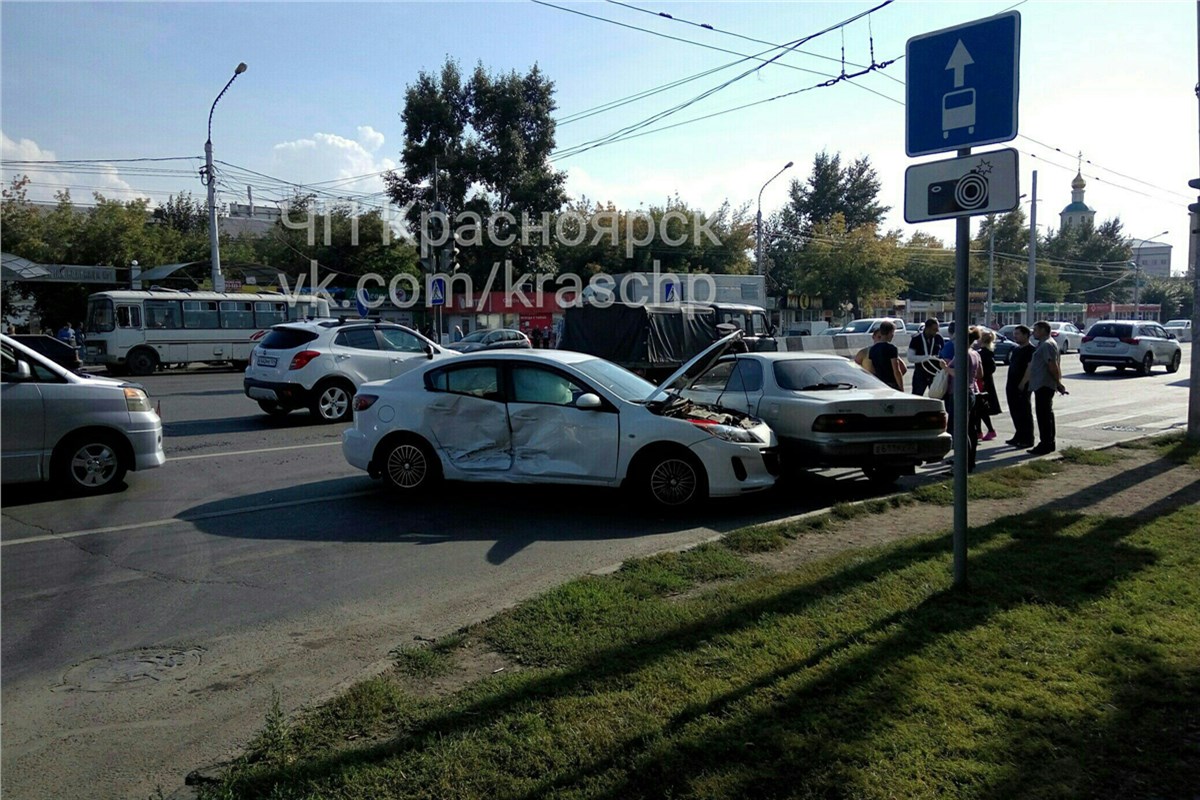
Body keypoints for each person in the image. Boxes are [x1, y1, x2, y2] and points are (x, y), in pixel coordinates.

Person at [1020, 320, 1068, 455]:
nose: (1033, 333)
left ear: (1042, 330)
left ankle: (1046, 444)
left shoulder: (1047, 345)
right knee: (1046, 415)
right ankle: (1048, 443)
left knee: (1044, 416)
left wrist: (1058, 383)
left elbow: (1052, 365)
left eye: (1035, 330)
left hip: (1044, 384)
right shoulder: (1044, 344)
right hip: (1041, 384)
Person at [945, 329, 983, 471]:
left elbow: (958, 373)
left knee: (960, 430)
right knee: (970, 430)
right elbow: (980, 373)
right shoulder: (975, 354)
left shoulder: (963, 354)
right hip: (972, 391)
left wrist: (945, 368)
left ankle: (961, 465)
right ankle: (969, 461)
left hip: (960, 393)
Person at [1004, 325, 1036, 448]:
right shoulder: (1016, 349)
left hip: (1023, 385)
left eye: (1017, 334)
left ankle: (1028, 438)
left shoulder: (1031, 350)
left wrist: (1023, 382)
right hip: (1011, 384)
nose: (1015, 336)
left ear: (1026, 335)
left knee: (1024, 412)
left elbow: (1030, 368)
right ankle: (1019, 435)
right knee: (1015, 411)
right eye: (1015, 334)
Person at [975, 329, 1002, 441]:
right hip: (986, 382)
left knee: (980, 408)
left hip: (981, 383)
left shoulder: (981, 353)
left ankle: (989, 430)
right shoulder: (989, 352)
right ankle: (979, 431)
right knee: (978, 409)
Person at [907, 318, 944, 396]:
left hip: (935, 373)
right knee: (917, 397)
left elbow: (943, 354)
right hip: (920, 373)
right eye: (934, 329)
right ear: (927, 328)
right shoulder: (916, 339)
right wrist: (927, 357)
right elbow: (910, 357)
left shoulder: (938, 338)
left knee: (938, 396)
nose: (937, 331)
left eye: (937, 329)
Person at [868, 321, 905, 391]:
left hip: (879, 384)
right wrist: (901, 387)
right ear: (890, 333)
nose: (893, 335)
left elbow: (871, 370)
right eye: (893, 333)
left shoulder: (872, 349)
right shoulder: (892, 348)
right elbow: (896, 370)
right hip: (891, 384)